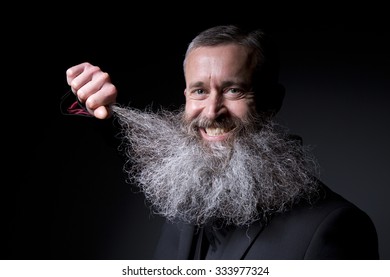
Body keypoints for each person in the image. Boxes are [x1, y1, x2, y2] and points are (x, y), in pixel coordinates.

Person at [64, 25, 379, 259]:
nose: (212, 112)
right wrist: (94, 101)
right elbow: (134, 143)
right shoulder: (190, 190)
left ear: (272, 102)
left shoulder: (336, 226)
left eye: (234, 91)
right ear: (185, 98)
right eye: (199, 91)